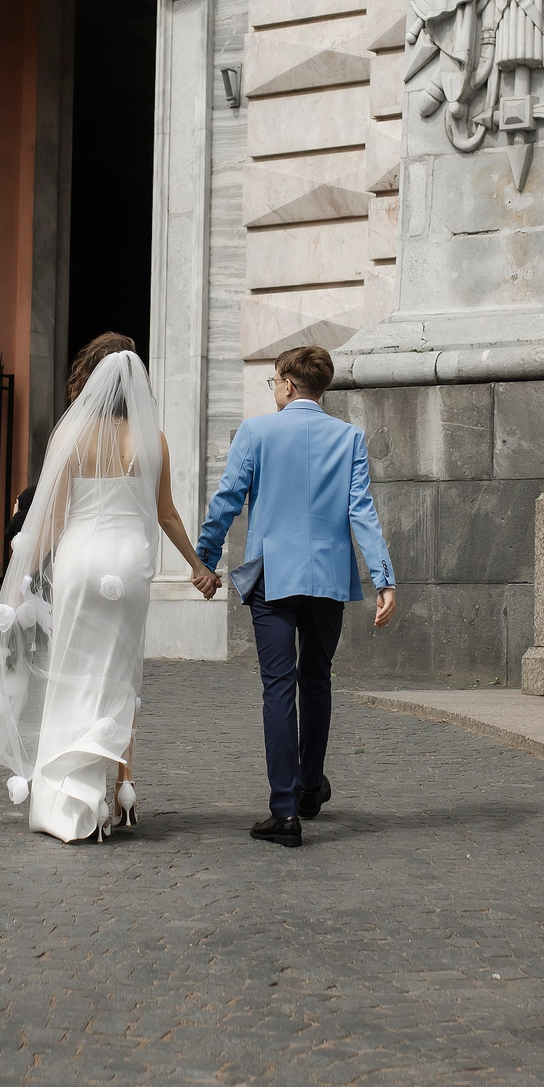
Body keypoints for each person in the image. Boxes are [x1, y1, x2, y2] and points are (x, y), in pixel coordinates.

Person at [0, 333, 221, 843]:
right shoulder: (154, 439)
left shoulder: (72, 436)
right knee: (119, 676)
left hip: (81, 563)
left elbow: (54, 518)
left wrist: (15, 588)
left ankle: (75, 799)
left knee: (72, 675)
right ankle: (123, 790)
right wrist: (198, 566)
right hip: (129, 567)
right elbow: (166, 513)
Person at [194, 344, 397, 848]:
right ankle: (310, 786)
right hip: (328, 579)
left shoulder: (257, 431)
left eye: (274, 383)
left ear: (286, 384)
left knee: (279, 688)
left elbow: (226, 500)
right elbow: (362, 512)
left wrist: (205, 558)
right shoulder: (349, 437)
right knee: (317, 682)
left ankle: (285, 811)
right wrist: (384, 579)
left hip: (274, 579)